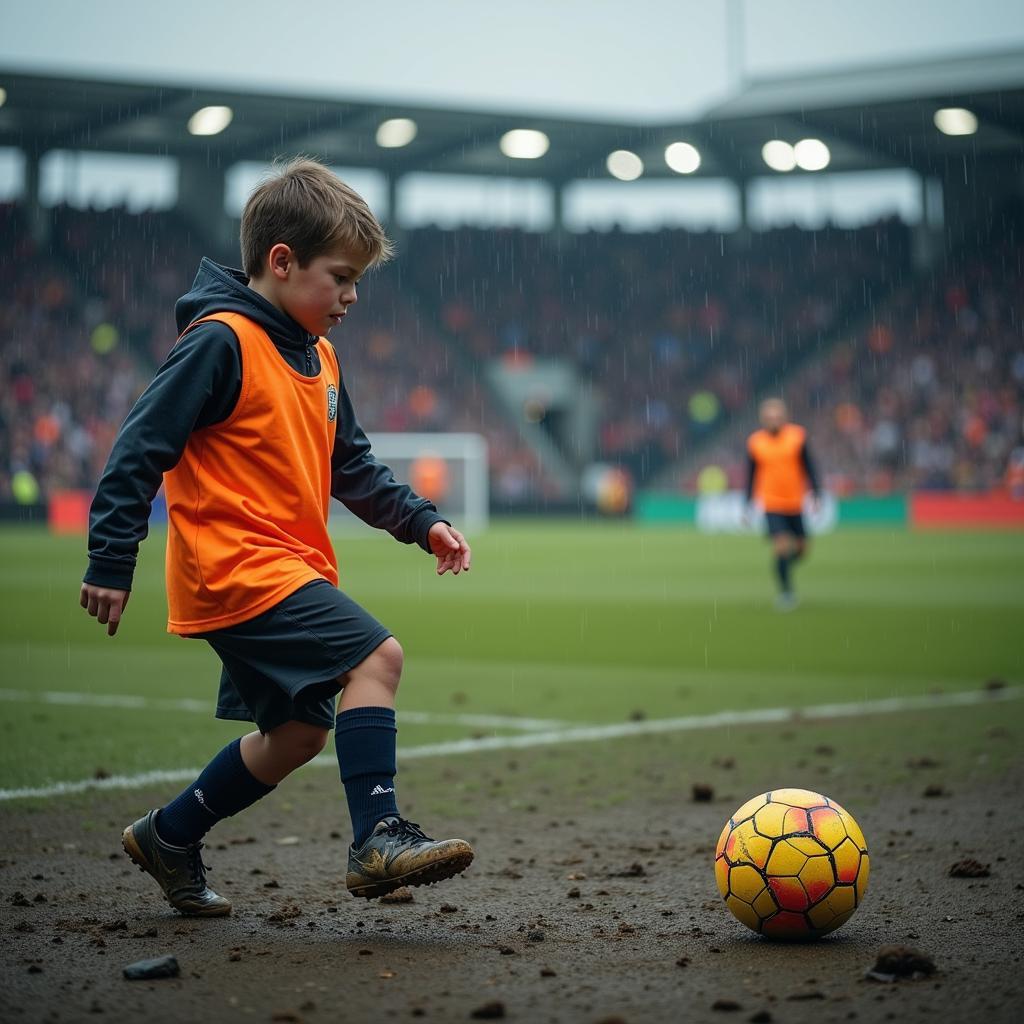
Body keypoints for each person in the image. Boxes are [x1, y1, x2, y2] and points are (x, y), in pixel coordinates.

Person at [79, 159, 475, 915]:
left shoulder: (320, 354)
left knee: (296, 734)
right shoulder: (220, 341)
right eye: (342, 277)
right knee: (376, 658)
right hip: (237, 568)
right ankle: (377, 838)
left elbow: (349, 465)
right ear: (282, 262)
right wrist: (111, 556)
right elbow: (140, 447)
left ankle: (169, 834)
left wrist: (421, 521)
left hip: (285, 569)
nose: (353, 297)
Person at [744, 398, 820, 610]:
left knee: (802, 549)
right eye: (769, 418)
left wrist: (816, 493)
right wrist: (748, 504)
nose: (773, 421)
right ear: (762, 419)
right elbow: (751, 474)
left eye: (777, 417)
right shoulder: (756, 442)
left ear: (785, 417)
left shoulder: (797, 437)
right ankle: (786, 593)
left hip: (795, 501)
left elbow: (809, 467)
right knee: (781, 545)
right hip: (771, 502)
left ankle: (782, 566)